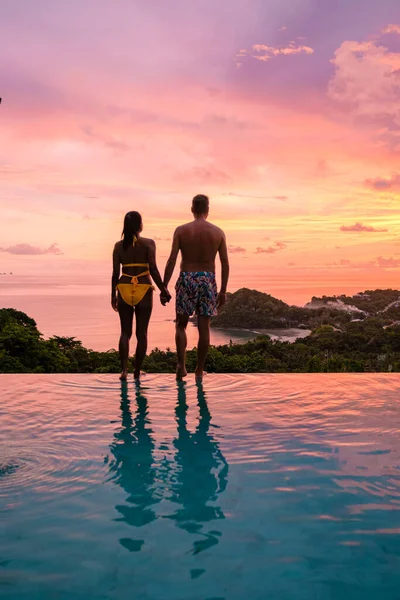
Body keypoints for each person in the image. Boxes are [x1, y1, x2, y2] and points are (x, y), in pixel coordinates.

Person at [163, 194, 229, 380]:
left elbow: (172, 260)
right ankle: (199, 370)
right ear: (208, 210)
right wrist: (223, 290)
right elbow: (225, 264)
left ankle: (181, 366)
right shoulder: (218, 232)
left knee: (181, 325)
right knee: (204, 327)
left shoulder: (181, 231)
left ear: (192, 209)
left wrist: (164, 286)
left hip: (186, 277)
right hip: (207, 280)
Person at [112, 211, 171, 380]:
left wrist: (113, 295)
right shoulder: (148, 244)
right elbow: (153, 269)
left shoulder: (118, 246)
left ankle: (124, 371)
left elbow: (115, 273)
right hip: (144, 288)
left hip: (123, 286)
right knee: (142, 334)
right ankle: (137, 372)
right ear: (140, 225)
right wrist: (163, 290)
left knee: (125, 333)